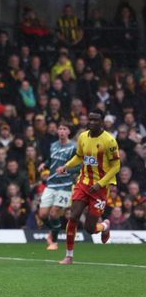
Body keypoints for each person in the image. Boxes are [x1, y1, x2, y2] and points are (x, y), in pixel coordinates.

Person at [56, 109, 120, 264]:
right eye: (90, 120)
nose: (91, 122)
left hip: (100, 188)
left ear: (102, 121)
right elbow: (79, 156)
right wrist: (66, 166)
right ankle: (69, 256)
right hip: (83, 183)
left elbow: (116, 166)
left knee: (90, 229)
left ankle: (104, 226)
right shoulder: (83, 136)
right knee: (73, 217)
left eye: (95, 120)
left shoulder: (109, 141)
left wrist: (100, 184)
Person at [37, 122, 77, 250]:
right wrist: (45, 164)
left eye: (64, 129)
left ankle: (54, 241)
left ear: (69, 132)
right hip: (51, 184)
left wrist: (67, 170)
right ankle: (53, 230)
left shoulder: (74, 147)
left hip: (65, 185)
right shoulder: (53, 145)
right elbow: (52, 160)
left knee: (54, 214)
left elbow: (80, 166)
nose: (61, 131)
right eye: (60, 129)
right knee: (42, 214)